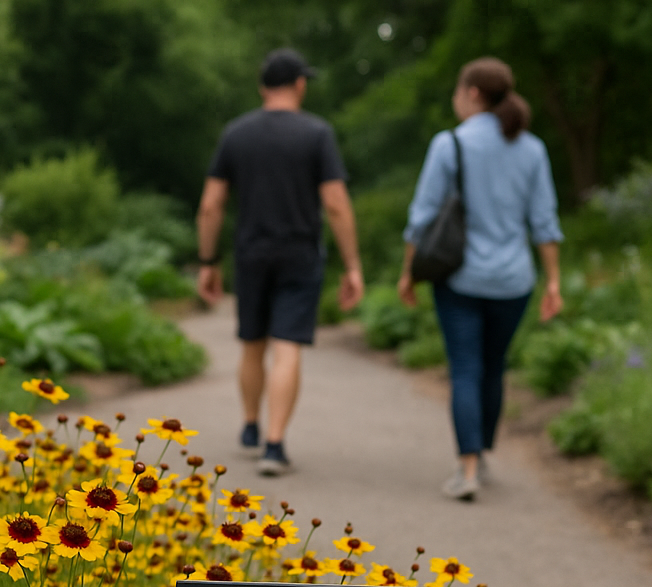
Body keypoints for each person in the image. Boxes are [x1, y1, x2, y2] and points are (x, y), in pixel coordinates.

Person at [398, 56, 564, 501]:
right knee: (493, 368)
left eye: (458, 91)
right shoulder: (531, 149)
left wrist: (407, 272)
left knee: (465, 369)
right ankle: (483, 451)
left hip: (460, 279)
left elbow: (422, 216)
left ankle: (466, 468)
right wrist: (553, 282)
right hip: (514, 281)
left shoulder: (449, 144)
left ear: (472, 93)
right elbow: (544, 222)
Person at [196, 48, 364, 476]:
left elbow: (212, 205)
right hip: (299, 253)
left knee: (252, 343)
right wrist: (352, 265)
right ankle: (274, 445)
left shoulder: (236, 134)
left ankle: (250, 426)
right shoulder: (317, 134)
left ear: (262, 87)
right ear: (301, 85)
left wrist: (208, 260)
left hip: (251, 253)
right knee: (287, 347)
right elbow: (336, 204)